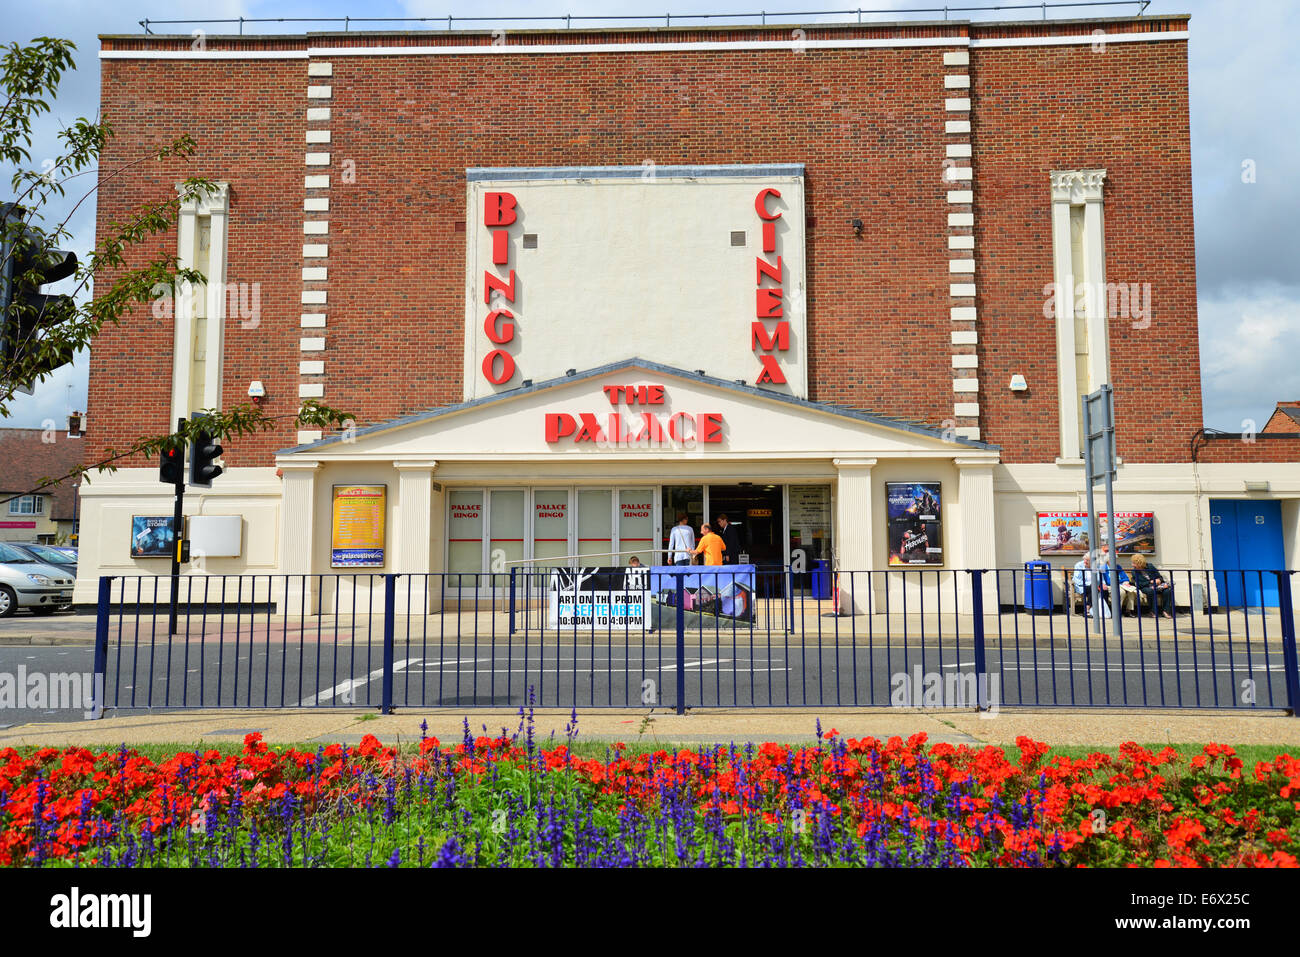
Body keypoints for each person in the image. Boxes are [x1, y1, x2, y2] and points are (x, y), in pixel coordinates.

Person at [1099, 545, 1139, 616]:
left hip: (1121, 585)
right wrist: (1121, 582)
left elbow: (1126, 577)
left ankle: (1128, 611)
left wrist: (1126, 582)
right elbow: (1108, 582)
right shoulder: (1103, 567)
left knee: (1132, 592)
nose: (1114, 561)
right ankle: (1117, 611)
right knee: (1121, 592)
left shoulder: (1118, 567)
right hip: (1110, 586)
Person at [1131, 554, 1174, 618]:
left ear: (1139, 563)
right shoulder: (1134, 571)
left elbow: (1160, 577)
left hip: (1157, 586)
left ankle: (1166, 611)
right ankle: (1153, 611)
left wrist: (1159, 580)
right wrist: (1150, 582)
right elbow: (1139, 584)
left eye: (1134, 563)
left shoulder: (1150, 566)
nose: (1132, 565)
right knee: (1150, 591)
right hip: (1145, 587)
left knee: (1167, 591)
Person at [1071, 552, 1095, 617]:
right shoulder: (1079, 565)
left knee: (1102, 590)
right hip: (1081, 585)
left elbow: (1099, 577)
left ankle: (1104, 611)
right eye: (1084, 559)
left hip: (1094, 586)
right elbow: (1077, 579)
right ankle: (1087, 610)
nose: (1085, 561)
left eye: (1087, 560)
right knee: (1092, 589)